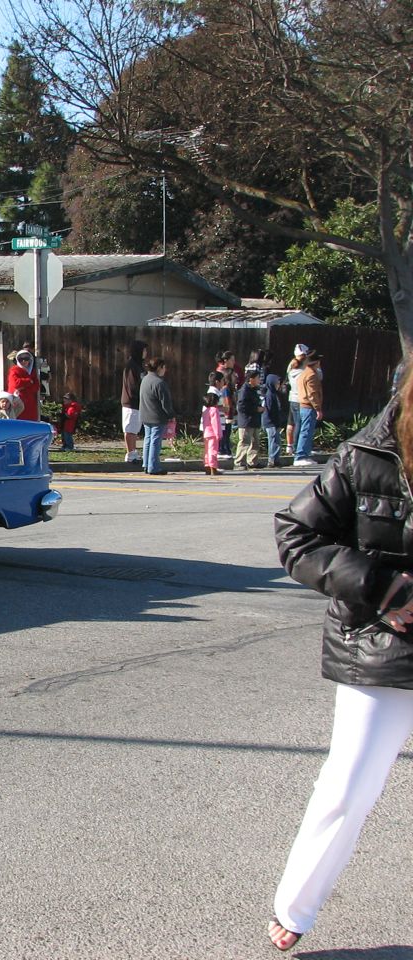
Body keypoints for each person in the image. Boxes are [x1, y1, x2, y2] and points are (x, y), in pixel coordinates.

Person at [266, 368, 413, 952]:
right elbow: (295, 537)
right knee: (349, 786)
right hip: (380, 645)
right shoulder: (364, 457)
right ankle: (295, 905)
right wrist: (381, 586)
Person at [139, 356, 175, 476]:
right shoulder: (159, 383)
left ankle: (146, 464)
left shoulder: (145, 379)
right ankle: (153, 466)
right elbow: (166, 403)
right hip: (157, 416)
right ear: (159, 367)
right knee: (155, 441)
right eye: (164, 367)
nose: (165, 369)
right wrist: (171, 415)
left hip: (145, 414)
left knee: (148, 439)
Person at [294, 352, 324, 466]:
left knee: (305, 430)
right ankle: (301, 456)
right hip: (309, 406)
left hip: (302, 405)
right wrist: (318, 408)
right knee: (306, 431)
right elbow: (312, 394)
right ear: (316, 363)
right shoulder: (311, 375)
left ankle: (304, 455)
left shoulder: (303, 373)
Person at [121, 340, 148, 463]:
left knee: (135, 429)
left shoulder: (139, 365)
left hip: (138, 403)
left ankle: (134, 451)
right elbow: (133, 385)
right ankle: (130, 453)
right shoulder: (131, 366)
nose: (146, 353)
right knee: (130, 428)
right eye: (144, 350)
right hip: (131, 402)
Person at [234, 364, 264, 469]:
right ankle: (239, 462)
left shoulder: (254, 390)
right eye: (257, 378)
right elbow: (241, 407)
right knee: (244, 442)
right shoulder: (244, 390)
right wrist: (255, 409)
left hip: (254, 420)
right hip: (246, 421)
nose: (259, 380)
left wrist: (259, 408)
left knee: (255, 442)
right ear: (251, 379)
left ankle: (253, 461)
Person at [263, 362, 289, 467]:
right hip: (270, 422)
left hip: (275, 421)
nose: (279, 386)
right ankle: (272, 459)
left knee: (277, 441)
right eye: (277, 384)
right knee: (273, 441)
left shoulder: (274, 394)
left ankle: (276, 459)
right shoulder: (269, 395)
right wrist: (273, 421)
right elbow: (268, 410)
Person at [6, 347, 42, 421]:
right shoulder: (14, 370)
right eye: (20, 359)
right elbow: (15, 383)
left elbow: (36, 387)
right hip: (18, 402)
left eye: (26, 359)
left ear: (30, 360)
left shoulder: (32, 372)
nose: (23, 361)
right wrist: (29, 381)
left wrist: (24, 385)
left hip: (30, 403)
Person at [286, 343, 310, 452]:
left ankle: (289, 446)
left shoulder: (291, 368)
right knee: (299, 425)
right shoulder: (303, 372)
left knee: (291, 423)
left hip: (292, 398)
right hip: (300, 399)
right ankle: (297, 447)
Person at [215, 351, 238, 457]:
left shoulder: (229, 372)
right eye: (232, 360)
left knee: (227, 430)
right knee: (224, 430)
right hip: (223, 409)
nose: (234, 362)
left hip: (227, 408)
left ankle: (225, 449)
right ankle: (222, 449)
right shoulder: (221, 372)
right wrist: (228, 410)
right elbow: (225, 398)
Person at [201, 391, 223, 475]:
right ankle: (213, 468)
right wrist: (218, 434)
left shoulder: (205, 411)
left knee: (207, 451)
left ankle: (207, 466)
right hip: (213, 434)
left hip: (206, 433)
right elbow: (215, 423)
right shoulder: (214, 410)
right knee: (213, 451)